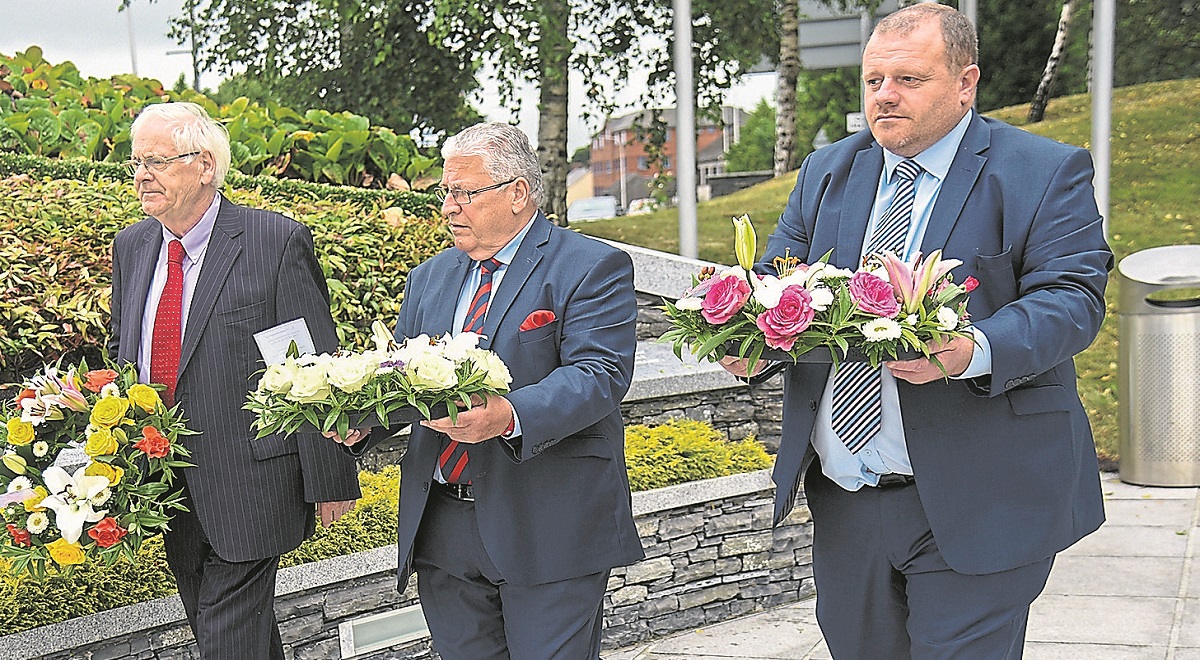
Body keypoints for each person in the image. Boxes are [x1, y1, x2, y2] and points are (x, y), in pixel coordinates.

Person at [721, 5, 1112, 658]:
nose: (885, 96)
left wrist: (973, 350)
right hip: (847, 498)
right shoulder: (827, 173)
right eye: (873, 80)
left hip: (984, 492)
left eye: (908, 78)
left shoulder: (1042, 171)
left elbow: (1073, 299)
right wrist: (749, 338)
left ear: (966, 82)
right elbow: (777, 282)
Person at [331, 122, 644, 660]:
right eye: (445, 192)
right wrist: (360, 419)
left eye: (464, 192)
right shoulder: (428, 278)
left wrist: (508, 415)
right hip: (443, 525)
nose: (449, 207)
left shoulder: (591, 266)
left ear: (517, 192)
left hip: (548, 524)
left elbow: (599, 374)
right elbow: (403, 376)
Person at [108, 102, 361, 659]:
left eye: (156, 161)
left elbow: (313, 365)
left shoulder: (275, 242)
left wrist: (331, 473)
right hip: (166, 483)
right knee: (225, 632)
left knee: (226, 638)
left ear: (203, 165)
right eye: (134, 162)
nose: (141, 174)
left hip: (251, 485)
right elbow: (122, 350)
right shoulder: (132, 247)